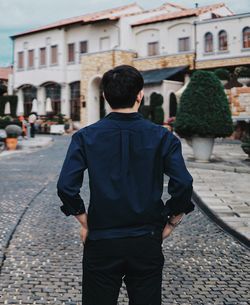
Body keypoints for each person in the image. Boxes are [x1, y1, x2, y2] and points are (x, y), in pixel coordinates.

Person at [57, 65, 195, 305]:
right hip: (146, 238)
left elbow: (66, 186)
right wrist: (172, 221)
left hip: (102, 238)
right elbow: (183, 183)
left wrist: (84, 219)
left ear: (105, 98)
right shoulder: (163, 137)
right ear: (140, 95)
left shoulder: (85, 136)